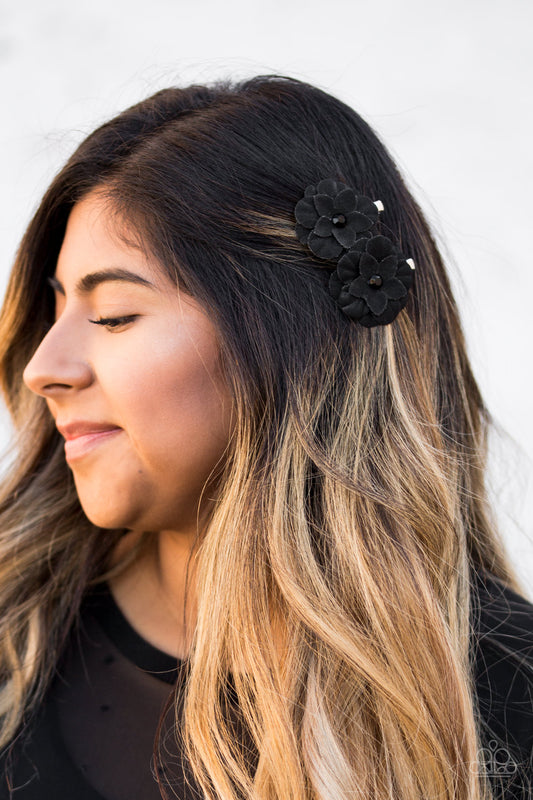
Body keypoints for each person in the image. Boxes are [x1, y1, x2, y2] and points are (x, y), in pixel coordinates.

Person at [0, 74, 531, 800]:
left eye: (115, 314)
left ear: (295, 343)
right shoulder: (14, 648)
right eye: (56, 307)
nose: (43, 368)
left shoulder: (509, 701)